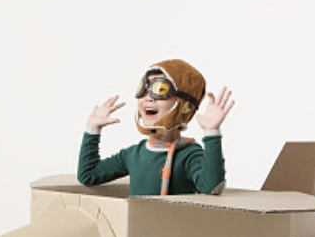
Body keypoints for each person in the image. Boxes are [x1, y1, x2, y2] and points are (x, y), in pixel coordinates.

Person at [77, 59, 234, 196]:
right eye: (143, 89)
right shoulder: (133, 154)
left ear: (185, 107)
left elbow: (212, 187)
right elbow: (88, 175)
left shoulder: (189, 154)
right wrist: (92, 129)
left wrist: (211, 132)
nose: (148, 98)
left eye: (160, 90)